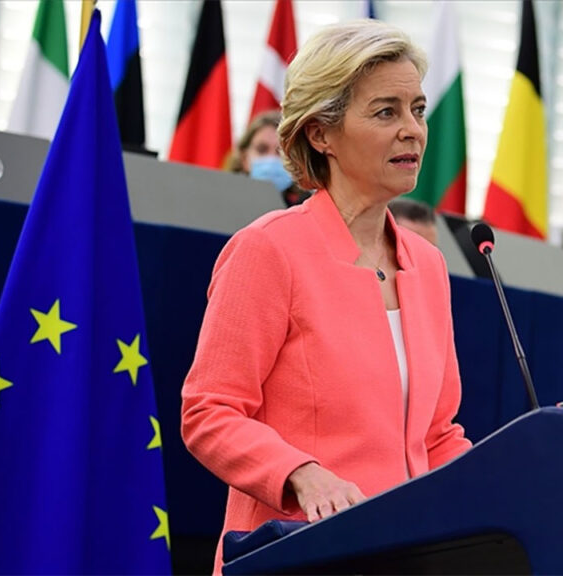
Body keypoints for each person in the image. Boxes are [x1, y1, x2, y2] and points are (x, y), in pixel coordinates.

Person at [181, 20, 472, 573]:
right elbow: (209, 411)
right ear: (321, 134)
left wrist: (501, 483)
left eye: (417, 110)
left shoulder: (429, 265)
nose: (412, 130)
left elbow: (436, 436)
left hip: (403, 557)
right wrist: (301, 473)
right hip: (296, 553)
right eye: (386, 112)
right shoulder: (269, 250)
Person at [225, 110, 313, 206]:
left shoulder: (309, 207)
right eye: (261, 149)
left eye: (281, 152)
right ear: (244, 159)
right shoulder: (223, 203)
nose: (271, 158)